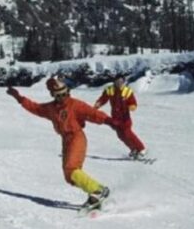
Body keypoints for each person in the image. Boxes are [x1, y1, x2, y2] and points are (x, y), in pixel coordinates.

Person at [6, 77, 116, 211]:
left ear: (68, 92)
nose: (62, 97)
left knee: (71, 168)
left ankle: (99, 191)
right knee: (69, 176)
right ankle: (94, 196)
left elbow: (92, 113)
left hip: (76, 137)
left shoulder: (75, 104)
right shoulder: (51, 108)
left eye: (64, 93)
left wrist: (109, 121)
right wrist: (19, 98)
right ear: (53, 95)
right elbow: (35, 108)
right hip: (66, 139)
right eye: (58, 95)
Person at [94, 75, 147, 160]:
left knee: (127, 133)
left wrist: (132, 106)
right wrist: (98, 104)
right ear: (114, 81)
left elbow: (133, 102)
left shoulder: (127, 91)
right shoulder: (109, 90)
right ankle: (133, 149)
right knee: (121, 135)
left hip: (125, 118)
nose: (119, 83)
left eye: (121, 82)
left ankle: (141, 149)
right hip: (115, 118)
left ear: (123, 82)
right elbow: (103, 99)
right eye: (117, 81)